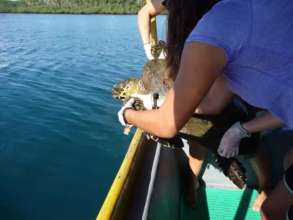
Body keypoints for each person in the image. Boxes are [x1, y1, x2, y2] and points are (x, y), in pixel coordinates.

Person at [123, 0, 293, 218]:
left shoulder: (214, 29)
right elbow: (213, 102)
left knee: (271, 212)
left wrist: (127, 114)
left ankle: (265, 186)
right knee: (288, 159)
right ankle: (195, 180)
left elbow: (168, 124)